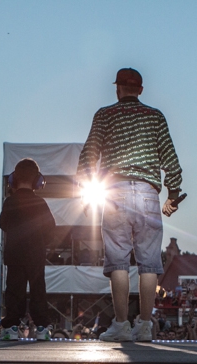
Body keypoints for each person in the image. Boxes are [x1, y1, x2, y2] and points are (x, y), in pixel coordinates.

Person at [77, 67, 184, 342]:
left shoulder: (104, 115)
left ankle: (121, 324)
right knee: (149, 264)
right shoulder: (155, 117)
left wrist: (84, 183)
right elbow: (171, 160)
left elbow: (89, 153)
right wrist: (172, 195)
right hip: (148, 193)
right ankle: (145, 325)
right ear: (141, 90)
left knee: (118, 262)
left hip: (114, 192)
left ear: (117, 89)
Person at [0, 158, 56, 341]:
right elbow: (51, 228)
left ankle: (11, 327)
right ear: (37, 181)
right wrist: (40, 242)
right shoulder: (41, 203)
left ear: (14, 179)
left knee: (14, 289)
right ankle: (42, 328)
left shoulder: (9, 202)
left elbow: (3, 224)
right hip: (36, 253)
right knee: (38, 289)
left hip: (14, 253)